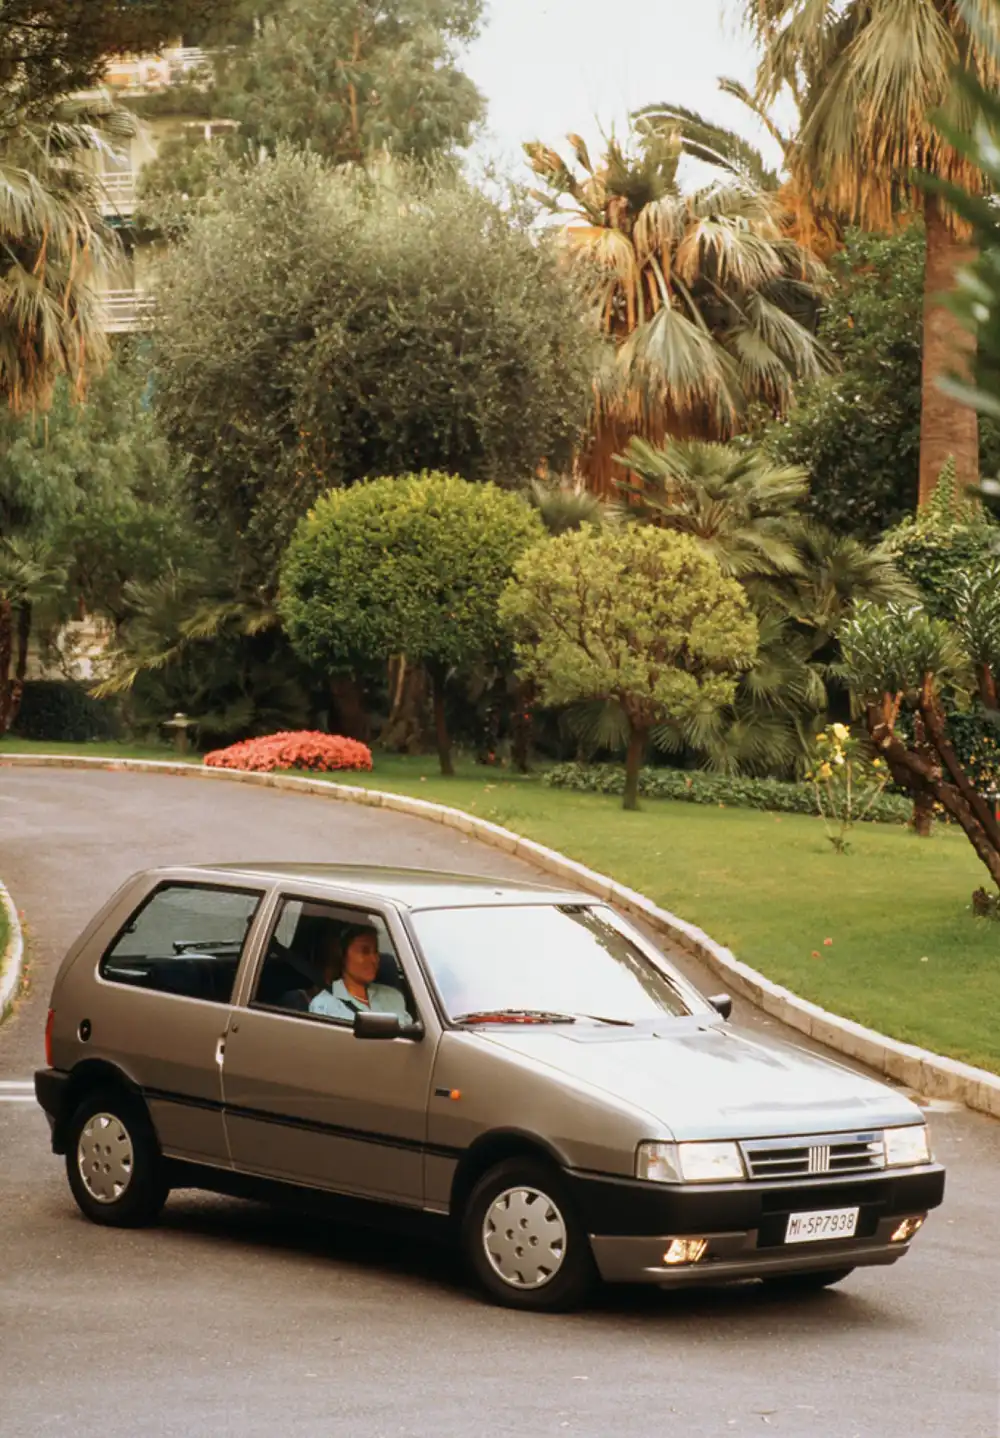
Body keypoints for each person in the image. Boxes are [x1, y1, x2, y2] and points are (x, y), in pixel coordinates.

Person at [309, 923, 412, 1023]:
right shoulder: (323, 1006)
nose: (374, 959)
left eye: (375, 951)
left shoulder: (393, 996)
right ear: (343, 956)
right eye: (365, 951)